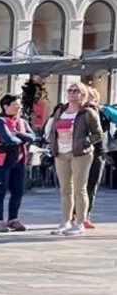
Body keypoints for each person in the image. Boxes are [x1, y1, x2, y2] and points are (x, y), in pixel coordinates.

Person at [43, 81, 104, 236]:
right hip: (61, 153)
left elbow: (98, 134)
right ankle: (65, 222)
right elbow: (53, 130)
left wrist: (85, 142)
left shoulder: (88, 113)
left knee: (80, 188)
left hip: (80, 153)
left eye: (75, 91)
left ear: (83, 94)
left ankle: (80, 223)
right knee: (65, 189)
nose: (71, 93)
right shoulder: (61, 111)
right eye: (70, 90)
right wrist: (53, 145)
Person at [0, 93, 37, 232]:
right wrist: (21, 138)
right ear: (6, 106)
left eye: (20, 106)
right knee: (0, 192)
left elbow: (33, 137)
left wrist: (16, 134)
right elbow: (8, 139)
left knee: (18, 191)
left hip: (19, 161)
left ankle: (13, 219)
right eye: (16, 105)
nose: (19, 108)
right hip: (0, 162)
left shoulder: (22, 122)